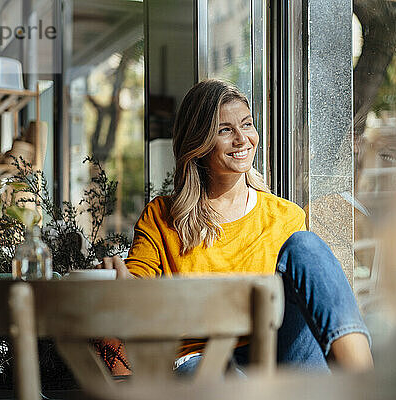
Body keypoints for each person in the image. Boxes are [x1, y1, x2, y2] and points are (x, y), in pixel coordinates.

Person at [104, 79, 373, 374]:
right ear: (198, 143)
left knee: (306, 245)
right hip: (201, 361)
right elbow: (133, 291)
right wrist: (121, 284)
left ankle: (364, 384)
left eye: (247, 125)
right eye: (224, 130)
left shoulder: (286, 216)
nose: (242, 139)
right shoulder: (162, 216)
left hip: (278, 356)